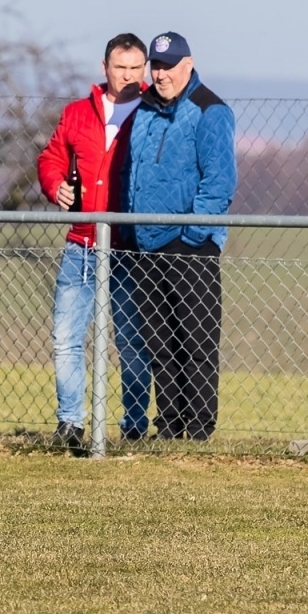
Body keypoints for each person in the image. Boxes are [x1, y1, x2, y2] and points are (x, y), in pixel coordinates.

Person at [36, 33, 154, 452]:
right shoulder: (77, 113)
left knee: (132, 340)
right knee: (66, 338)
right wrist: (55, 185)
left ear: (145, 69)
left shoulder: (154, 113)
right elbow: (51, 157)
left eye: (136, 68)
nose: (128, 75)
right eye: (120, 67)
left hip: (130, 247)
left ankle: (135, 425)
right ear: (105, 68)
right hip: (81, 245)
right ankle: (70, 424)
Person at [121, 32, 237, 441]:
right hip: (145, 243)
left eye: (169, 66)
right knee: (159, 341)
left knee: (197, 339)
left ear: (188, 64)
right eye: (156, 66)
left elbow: (219, 182)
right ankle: (169, 424)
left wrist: (193, 235)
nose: (161, 74)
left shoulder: (210, 110)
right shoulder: (144, 110)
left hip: (190, 245)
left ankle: (200, 427)